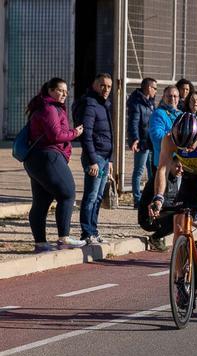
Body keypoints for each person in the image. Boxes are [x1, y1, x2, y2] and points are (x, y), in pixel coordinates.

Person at [149, 113, 197, 267]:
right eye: (183, 147)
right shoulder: (169, 139)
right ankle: (179, 281)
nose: (188, 150)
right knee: (178, 227)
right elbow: (162, 170)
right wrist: (158, 198)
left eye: (190, 145)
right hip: (189, 179)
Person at [23, 78, 86, 252]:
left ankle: (41, 243)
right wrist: (75, 132)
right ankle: (63, 238)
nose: (64, 94)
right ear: (50, 91)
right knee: (67, 193)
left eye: (66, 92)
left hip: (37, 159)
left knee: (41, 202)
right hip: (48, 156)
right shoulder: (49, 108)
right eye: (60, 90)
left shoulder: (44, 107)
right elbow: (55, 135)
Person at [78, 73, 113, 244]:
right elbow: (87, 135)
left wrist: (111, 160)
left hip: (105, 158)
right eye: (102, 85)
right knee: (91, 196)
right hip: (96, 158)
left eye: (108, 86)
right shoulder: (91, 104)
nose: (106, 89)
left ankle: (94, 230)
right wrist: (92, 160)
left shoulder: (104, 104)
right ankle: (87, 233)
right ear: (94, 85)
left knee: (99, 196)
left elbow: (109, 134)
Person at [138, 156, 183, 251]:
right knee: (178, 217)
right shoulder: (160, 180)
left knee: (184, 214)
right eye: (177, 166)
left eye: (182, 167)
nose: (181, 170)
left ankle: (161, 235)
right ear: (170, 165)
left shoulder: (175, 179)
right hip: (148, 217)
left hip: (162, 213)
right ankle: (155, 238)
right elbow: (160, 202)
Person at [127, 77, 157, 208]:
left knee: (152, 172)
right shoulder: (136, 102)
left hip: (151, 142)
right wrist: (135, 139)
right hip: (142, 143)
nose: (156, 91)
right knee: (138, 171)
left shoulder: (150, 102)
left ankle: (150, 198)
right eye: (154, 88)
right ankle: (137, 200)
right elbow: (133, 123)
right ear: (149, 88)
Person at [148, 85, 182, 170]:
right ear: (163, 97)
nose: (172, 98)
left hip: (180, 162)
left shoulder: (182, 115)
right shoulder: (158, 114)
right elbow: (156, 136)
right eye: (169, 96)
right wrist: (178, 141)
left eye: (175, 96)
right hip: (164, 162)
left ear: (178, 98)